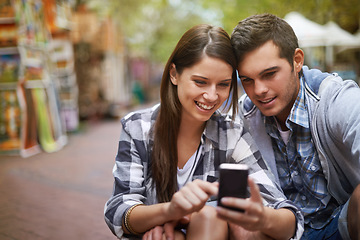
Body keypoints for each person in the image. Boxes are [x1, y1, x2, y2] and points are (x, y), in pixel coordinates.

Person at [104, 23, 304, 240]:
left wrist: (263, 217)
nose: (211, 96)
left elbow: (287, 218)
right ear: (174, 74)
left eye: (223, 85)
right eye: (200, 82)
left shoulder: (231, 134)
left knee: (210, 216)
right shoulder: (138, 128)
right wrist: (169, 211)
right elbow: (119, 210)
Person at [229, 13, 360, 240]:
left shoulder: (337, 100)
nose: (258, 90)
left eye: (269, 74)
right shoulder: (244, 116)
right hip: (280, 229)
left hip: (342, 225)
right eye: (247, 80)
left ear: (297, 60)